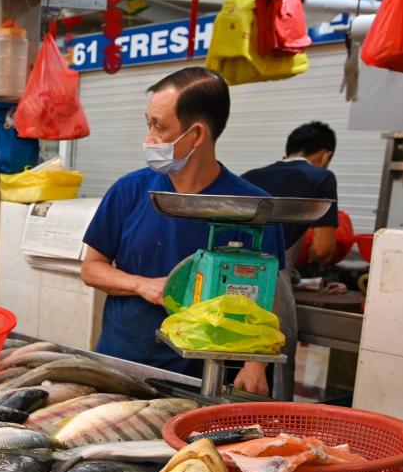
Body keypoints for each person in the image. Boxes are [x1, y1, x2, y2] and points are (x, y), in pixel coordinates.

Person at [81, 67, 285, 396]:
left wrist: (256, 364)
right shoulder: (129, 190)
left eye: (158, 127)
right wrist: (142, 285)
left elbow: (266, 298)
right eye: (148, 123)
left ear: (196, 135)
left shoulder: (253, 207)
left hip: (203, 378)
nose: (148, 138)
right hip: (120, 366)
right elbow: (92, 269)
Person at [242, 121, 340, 401]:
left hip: (230, 276)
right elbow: (323, 248)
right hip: (273, 275)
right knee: (274, 361)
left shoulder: (250, 176)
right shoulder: (321, 177)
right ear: (325, 155)